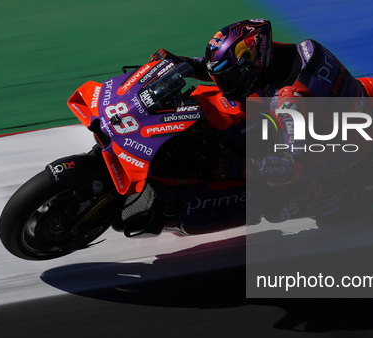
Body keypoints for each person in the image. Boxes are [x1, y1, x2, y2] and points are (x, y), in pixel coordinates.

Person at [149, 19, 362, 221]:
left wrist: (242, 167)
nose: (224, 87)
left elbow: (293, 162)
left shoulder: (287, 102)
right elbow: (217, 67)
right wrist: (178, 63)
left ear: (250, 66)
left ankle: (318, 197)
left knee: (274, 207)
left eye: (229, 80)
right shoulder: (266, 55)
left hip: (339, 139)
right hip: (318, 107)